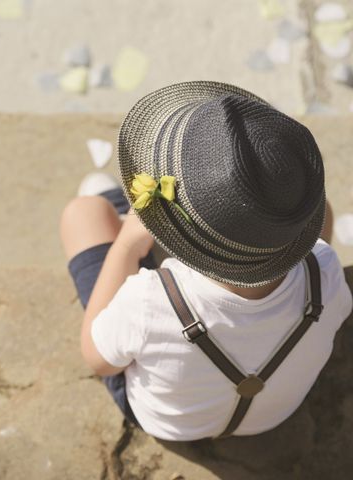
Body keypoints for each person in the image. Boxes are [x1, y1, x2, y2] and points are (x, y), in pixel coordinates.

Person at [59, 81, 353, 441]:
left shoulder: (148, 300)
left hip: (170, 424)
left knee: (84, 210)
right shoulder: (324, 268)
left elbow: (98, 359)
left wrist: (126, 245)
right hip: (271, 417)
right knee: (322, 212)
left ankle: (117, 208)